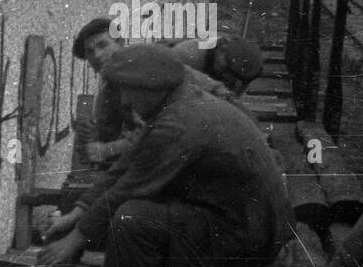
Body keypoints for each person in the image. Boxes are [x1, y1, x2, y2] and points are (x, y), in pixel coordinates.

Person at [39, 46, 291, 267]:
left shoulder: (177, 124)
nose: (124, 101)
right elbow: (125, 166)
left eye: (128, 92)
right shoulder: (180, 102)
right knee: (143, 209)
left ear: (151, 88)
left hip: (249, 237)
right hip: (252, 224)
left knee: (132, 218)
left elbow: (126, 189)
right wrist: (75, 216)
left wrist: (72, 242)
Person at [72, 17, 255, 167]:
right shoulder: (111, 87)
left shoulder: (144, 69)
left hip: (217, 138)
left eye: (103, 45)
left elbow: (154, 134)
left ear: (120, 42)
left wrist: (106, 150)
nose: (96, 55)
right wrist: (92, 139)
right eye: (89, 52)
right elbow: (106, 134)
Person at [164, 36, 264, 95]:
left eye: (230, 74)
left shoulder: (243, 71)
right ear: (222, 50)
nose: (226, 75)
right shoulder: (188, 54)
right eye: (225, 68)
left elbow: (236, 92)